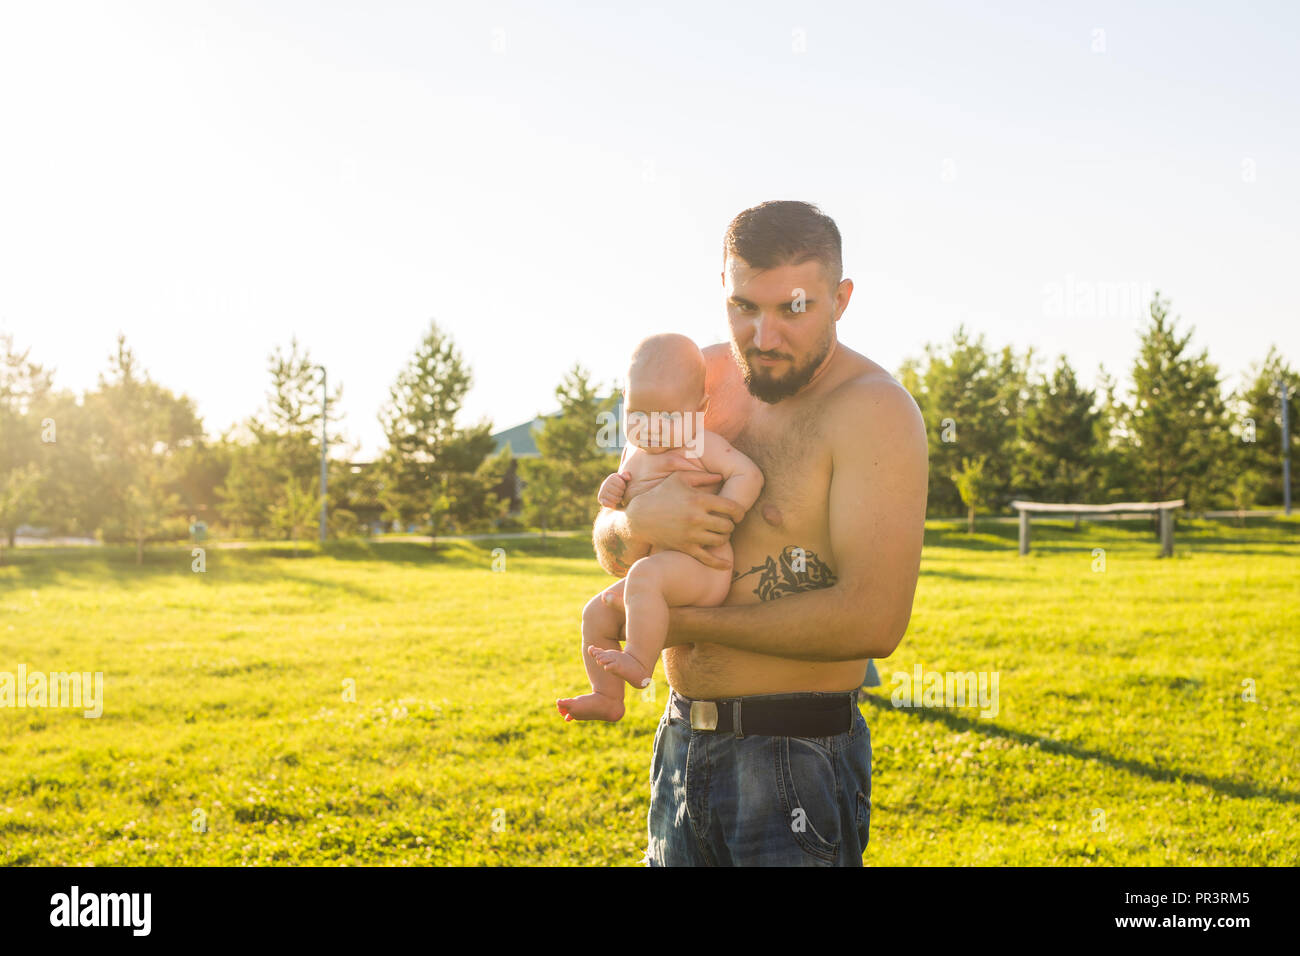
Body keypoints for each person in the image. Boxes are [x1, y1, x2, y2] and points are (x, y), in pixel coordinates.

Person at [592, 200, 928, 866]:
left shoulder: (874, 411)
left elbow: (874, 623)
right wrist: (633, 524)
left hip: (794, 758)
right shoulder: (693, 377)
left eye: (793, 309)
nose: (764, 335)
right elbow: (608, 536)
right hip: (682, 742)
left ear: (841, 298)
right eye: (744, 307)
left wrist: (682, 619)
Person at [556, 334, 763, 722]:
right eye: (638, 415)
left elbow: (747, 473)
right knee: (596, 612)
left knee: (644, 575)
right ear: (625, 401)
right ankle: (607, 696)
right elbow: (618, 500)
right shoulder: (635, 451)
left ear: (699, 409)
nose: (651, 427)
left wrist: (727, 513)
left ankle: (638, 659)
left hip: (704, 567)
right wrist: (613, 489)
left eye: (667, 417)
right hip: (659, 569)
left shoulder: (701, 445)